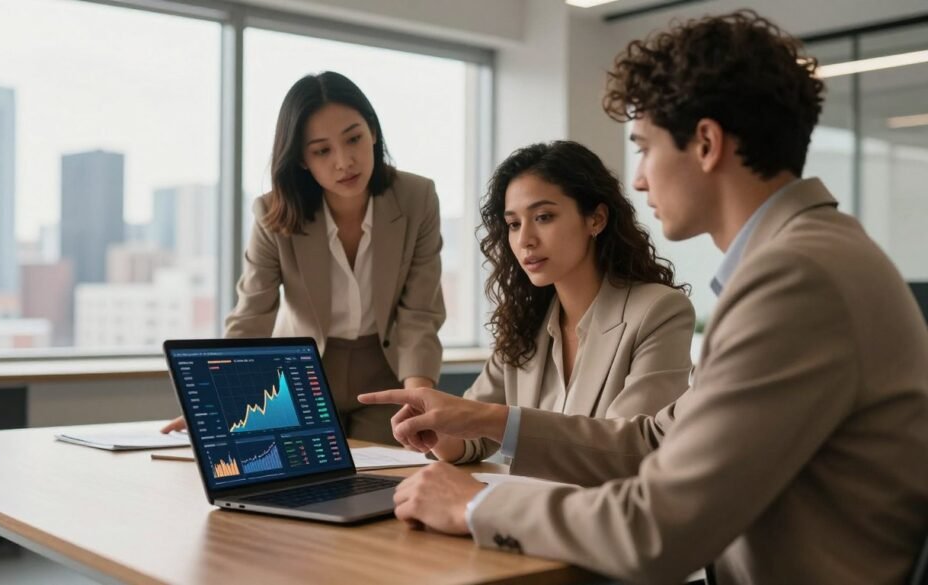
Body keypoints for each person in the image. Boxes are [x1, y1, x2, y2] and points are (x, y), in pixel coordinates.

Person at [360, 10, 928, 584]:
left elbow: (656, 528)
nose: (637, 178)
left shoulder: (796, 278)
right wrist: (483, 424)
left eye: (644, 146)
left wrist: (474, 505)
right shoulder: (809, 256)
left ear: (705, 143)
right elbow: (656, 438)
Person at [164, 71, 446, 445]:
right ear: (300, 158)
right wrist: (218, 401)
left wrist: (417, 399)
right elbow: (253, 314)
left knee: (391, 483)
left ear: (373, 132)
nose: (344, 161)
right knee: (296, 485)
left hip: (386, 375)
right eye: (322, 150)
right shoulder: (273, 214)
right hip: (300, 376)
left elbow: (419, 314)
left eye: (354, 138)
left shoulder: (417, 197)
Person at [428, 140, 694, 465]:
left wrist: (494, 421)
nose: (525, 239)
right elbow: (472, 436)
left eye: (543, 217)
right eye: (513, 224)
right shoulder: (524, 322)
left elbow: (630, 453)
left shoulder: (660, 311)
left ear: (596, 219)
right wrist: (435, 429)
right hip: (523, 507)